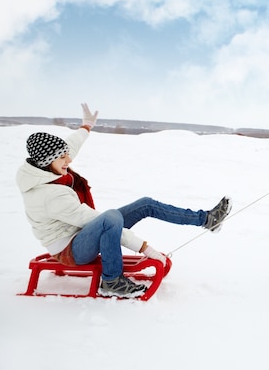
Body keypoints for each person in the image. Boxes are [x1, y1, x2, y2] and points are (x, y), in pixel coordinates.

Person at [16, 104, 232, 298]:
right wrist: (145, 248)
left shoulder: (46, 168)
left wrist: (86, 126)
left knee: (145, 203)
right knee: (110, 217)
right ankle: (112, 281)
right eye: (63, 157)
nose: (69, 160)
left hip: (80, 232)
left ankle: (207, 219)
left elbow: (70, 147)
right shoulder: (50, 195)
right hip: (70, 249)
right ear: (47, 161)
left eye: (65, 154)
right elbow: (97, 219)